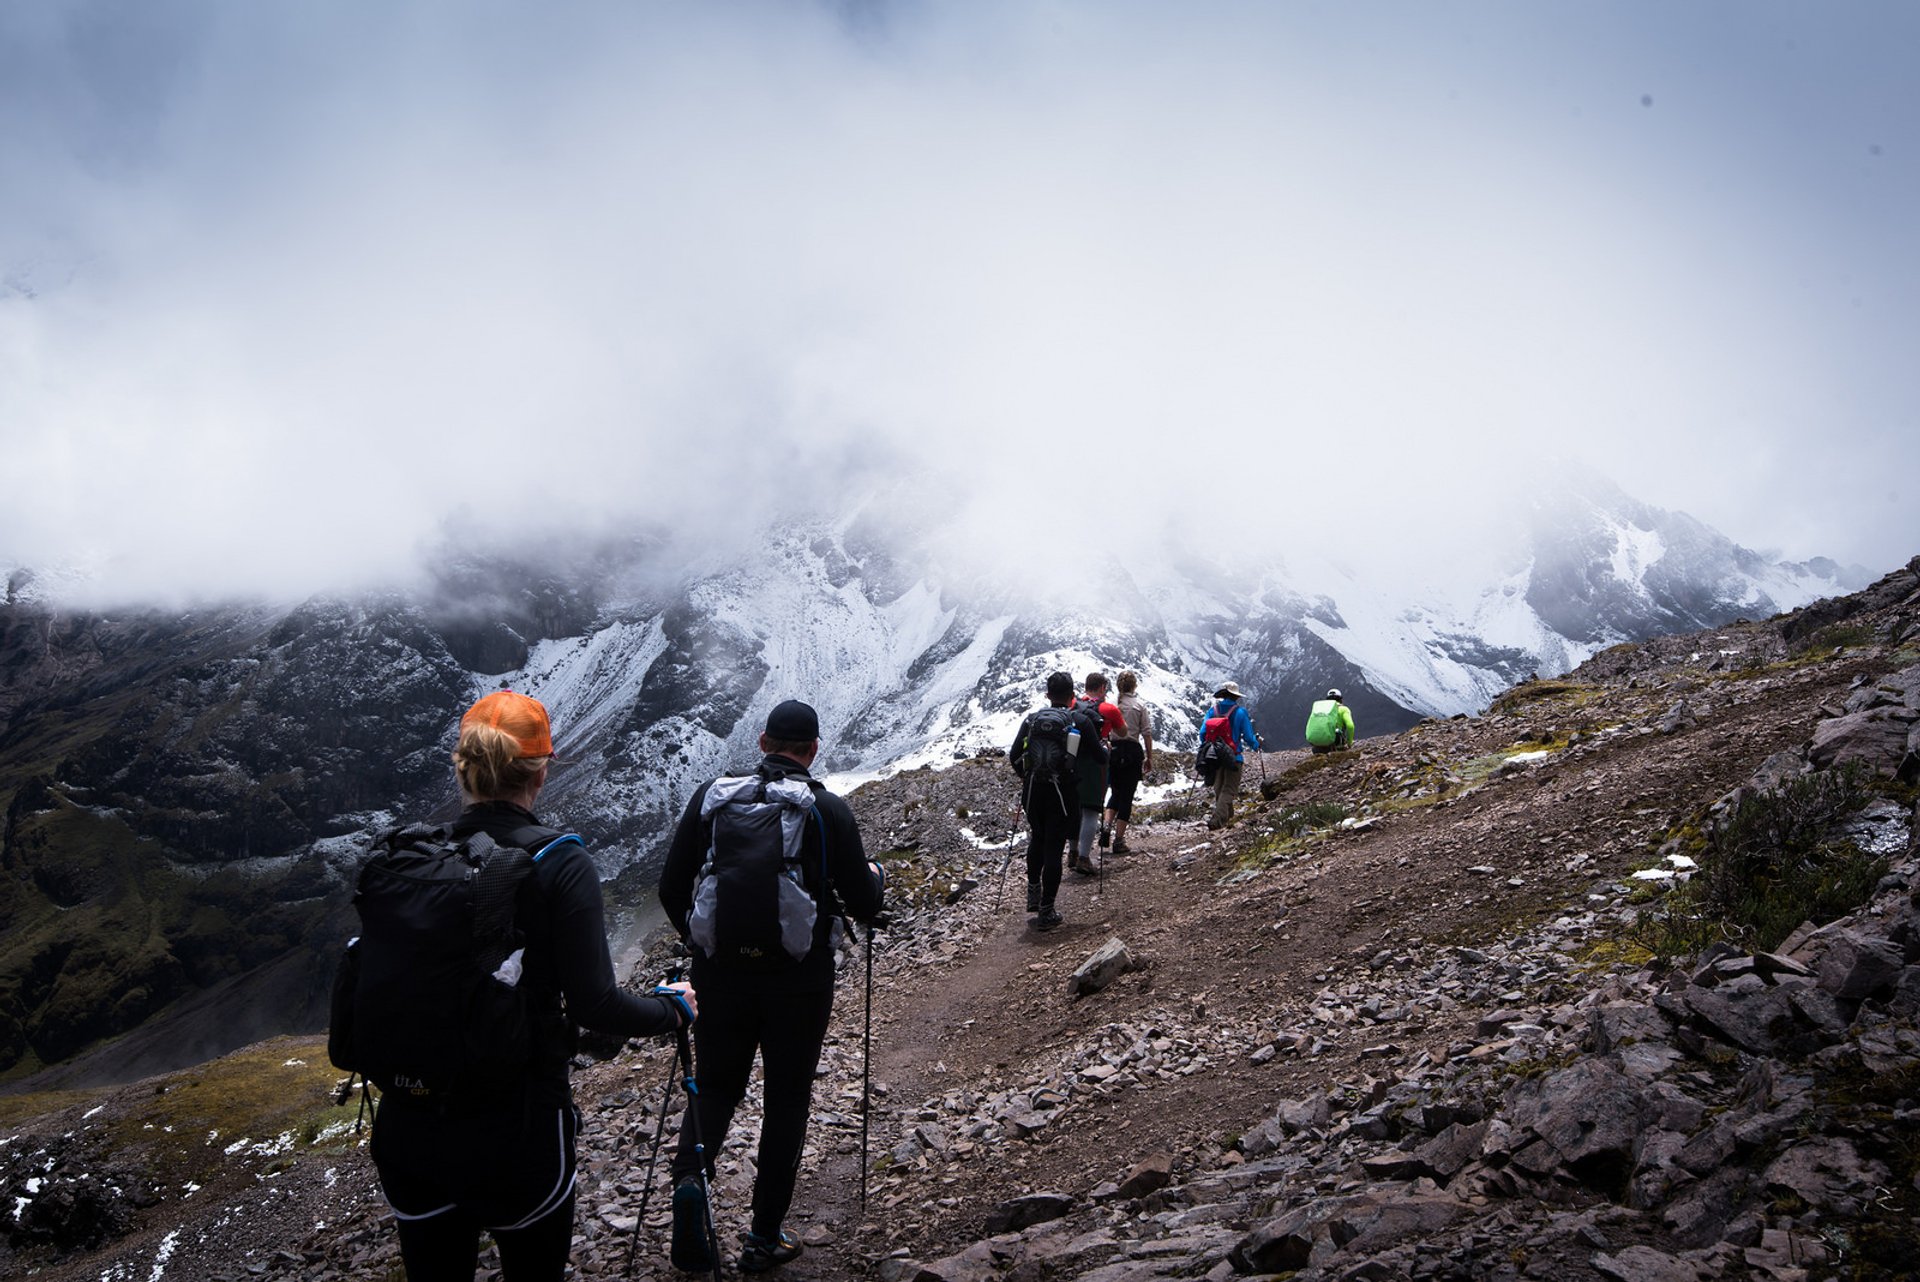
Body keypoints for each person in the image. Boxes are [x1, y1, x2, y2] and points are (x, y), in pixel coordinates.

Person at [368, 691, 696, 1282]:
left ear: (462, 765)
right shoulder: (559, 860)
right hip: (515, 1125)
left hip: (409, 1124)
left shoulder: (415, 858)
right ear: (543, 770)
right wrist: (670, 1011)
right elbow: (597, 1004)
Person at [658, 699, 886, 1274]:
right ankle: (763, 1238)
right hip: (798, 981)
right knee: (787, 1101)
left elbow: (670, 885)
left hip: (720, 976)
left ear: (762, 743)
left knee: (714, 1086)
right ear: (812, 750)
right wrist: (875, 880)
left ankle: (691, 1181)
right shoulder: (827, 810)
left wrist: (703, 941)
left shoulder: (713, 799)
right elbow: (863, 901)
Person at [1007, 671, 1081, 930]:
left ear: (1048, 695)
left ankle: (1033, 893)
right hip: (1060, 793)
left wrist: (1027, 777)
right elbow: (1092, 757)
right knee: (1053, 846)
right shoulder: (1073, 721)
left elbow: (1014, 754)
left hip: (1032, 792)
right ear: (1072, 696)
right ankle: (1047, 910)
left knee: (1037, 837)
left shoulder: (1031, 720)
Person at [1067, 673, 1124, 875]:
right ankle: (1084, 857)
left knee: (1076, 809)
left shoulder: (1073, 705)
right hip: (1096, 761)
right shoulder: (1108, 709)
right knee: (1091, 810)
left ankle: (1072, 853)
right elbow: (1123, 732)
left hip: (1072, 760)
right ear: (1101, 688)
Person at [1200, 681, 1265, 830]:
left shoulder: (1212, 711)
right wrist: (1256, 745)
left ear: (1222, 695)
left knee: (1219, 789)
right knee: (1229, 789)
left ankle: (1228, 819)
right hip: (1234, 756)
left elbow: (1203, 733)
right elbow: (1248, 736)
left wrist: (1210, 748)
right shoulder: (1240, 712)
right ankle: (1217, 821)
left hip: (1215, 757)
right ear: (1236, 697)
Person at [1103, 670, 1154, 854]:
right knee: (1127, 795)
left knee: (1115, 792)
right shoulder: (1140, 706)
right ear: (1135, 686)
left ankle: (1107, 825)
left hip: (1114, 751)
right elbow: (1146, 733)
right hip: (1132, 751)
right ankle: (1119, 840)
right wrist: (1149, 757)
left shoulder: (1111, 706)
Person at [1305, 688, 1358, 754]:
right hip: (1335, 743)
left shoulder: (1322, 709)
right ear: (1340, 699)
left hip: (1316, 744)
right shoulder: (1344, 709)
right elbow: (1350, 726)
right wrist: (1349, 743)